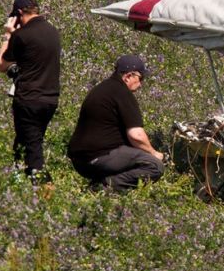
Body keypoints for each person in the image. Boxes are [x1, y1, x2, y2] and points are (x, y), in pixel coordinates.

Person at [67, 55, 165, 191]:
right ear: (128, 76)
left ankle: (102, 186)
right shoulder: (122, 92)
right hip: (100, 156)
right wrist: (154, 153)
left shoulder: (101, 89)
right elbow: (136, 135)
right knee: (154, 166)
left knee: (130, 156)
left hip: (80, 160)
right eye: (140, 78)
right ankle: (101, 188)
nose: (141, 84)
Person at [0, 0, 61, 184]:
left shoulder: (21, 35)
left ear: (18, 13)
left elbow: (2, 64)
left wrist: (8, 34)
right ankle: (16, 185)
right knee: (22, 144)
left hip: (28, 100)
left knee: (33, 151)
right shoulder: (52, 31)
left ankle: (45, 194)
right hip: (50, 100)